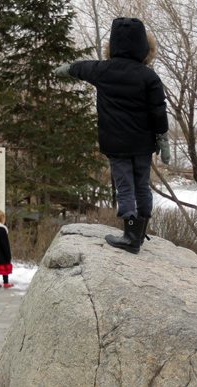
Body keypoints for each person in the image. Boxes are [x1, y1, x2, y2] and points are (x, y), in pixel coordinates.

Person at [54, 17, 169, 254]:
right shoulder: (149, 77)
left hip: (116, 143)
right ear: (144, 48)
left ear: (113, 45)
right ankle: (140, 229)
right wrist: (163, 139)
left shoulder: (102, 70)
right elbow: (158, 111)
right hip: (143, 144)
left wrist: (65, 70)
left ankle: (130, 235)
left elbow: (80, 67)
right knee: (142, 186)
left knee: (125, 187)